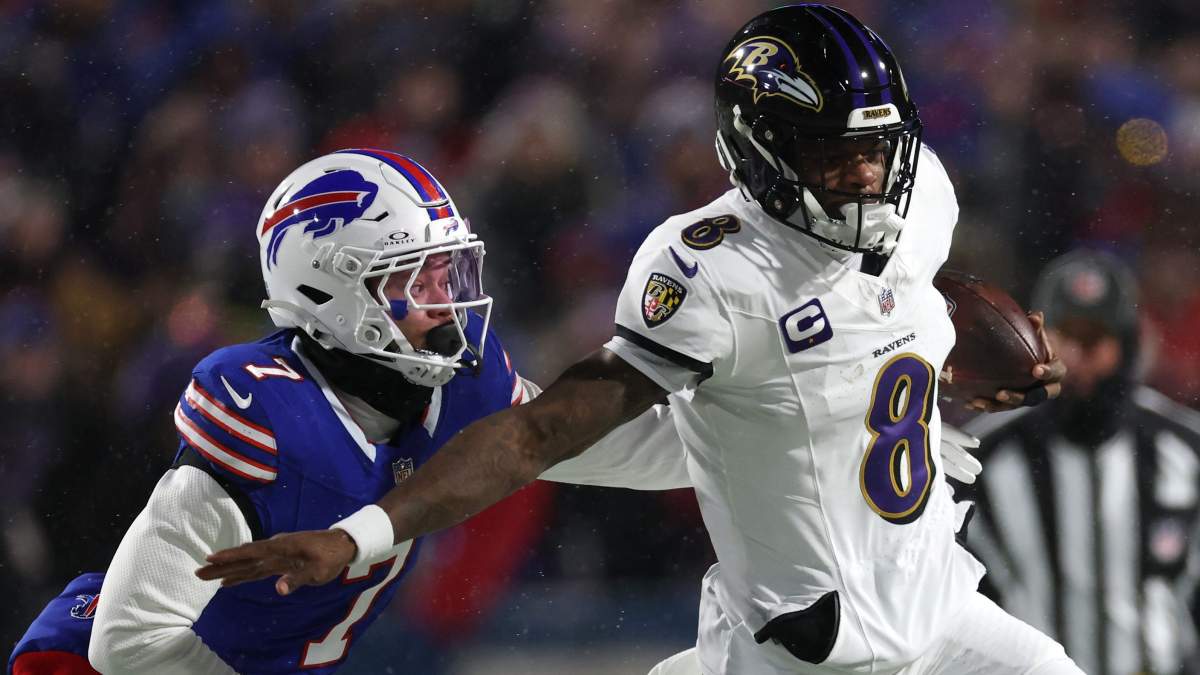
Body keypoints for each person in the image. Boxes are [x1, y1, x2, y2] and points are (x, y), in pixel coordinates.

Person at [198, 6, 1075, 674]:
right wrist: (360, 536)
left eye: (878, 148)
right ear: (759, 149)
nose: (867, 175)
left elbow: (885, 302)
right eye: (831, 154)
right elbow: (545, 433)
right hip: (806, 655)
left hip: (939, 606)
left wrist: (944, 357)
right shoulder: (714, 270)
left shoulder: (920, 199)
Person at [8, 148, 690, 675]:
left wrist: (748, 427)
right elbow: (129, 642)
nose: (445, 304)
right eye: (414, 280)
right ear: (326, 291)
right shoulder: (268, 416)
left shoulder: (454, 383)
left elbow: (619, 450)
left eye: (447, 272)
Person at [958, 249, 1200, 675]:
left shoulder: (1184, 450)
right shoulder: (984, 455)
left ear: (1125, 344)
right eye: (1063, 336)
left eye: (1092, 339)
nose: (1074, 355)